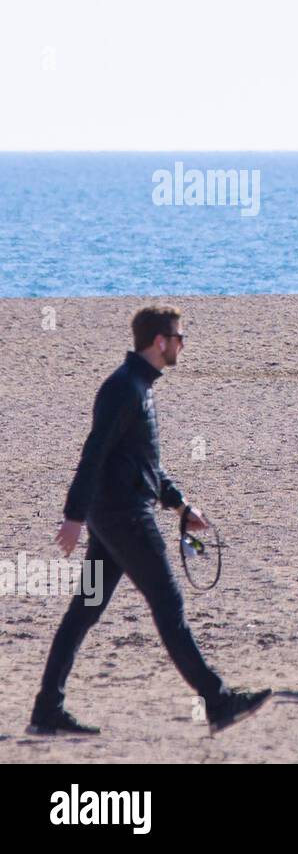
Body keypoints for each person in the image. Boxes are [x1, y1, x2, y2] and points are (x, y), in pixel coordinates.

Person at [29, 306, 271, 736]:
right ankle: (217, 701)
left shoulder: (139, 385)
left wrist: (180, 506)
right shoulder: (124, 388)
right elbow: (94, 453)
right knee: (168, 605)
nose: (182, 343)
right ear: (159, 341)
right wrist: (73, 517)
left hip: (115, 516)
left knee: (83, 611)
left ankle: (47, 710)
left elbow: (144, 464)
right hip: (124, 517)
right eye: (179, 336)